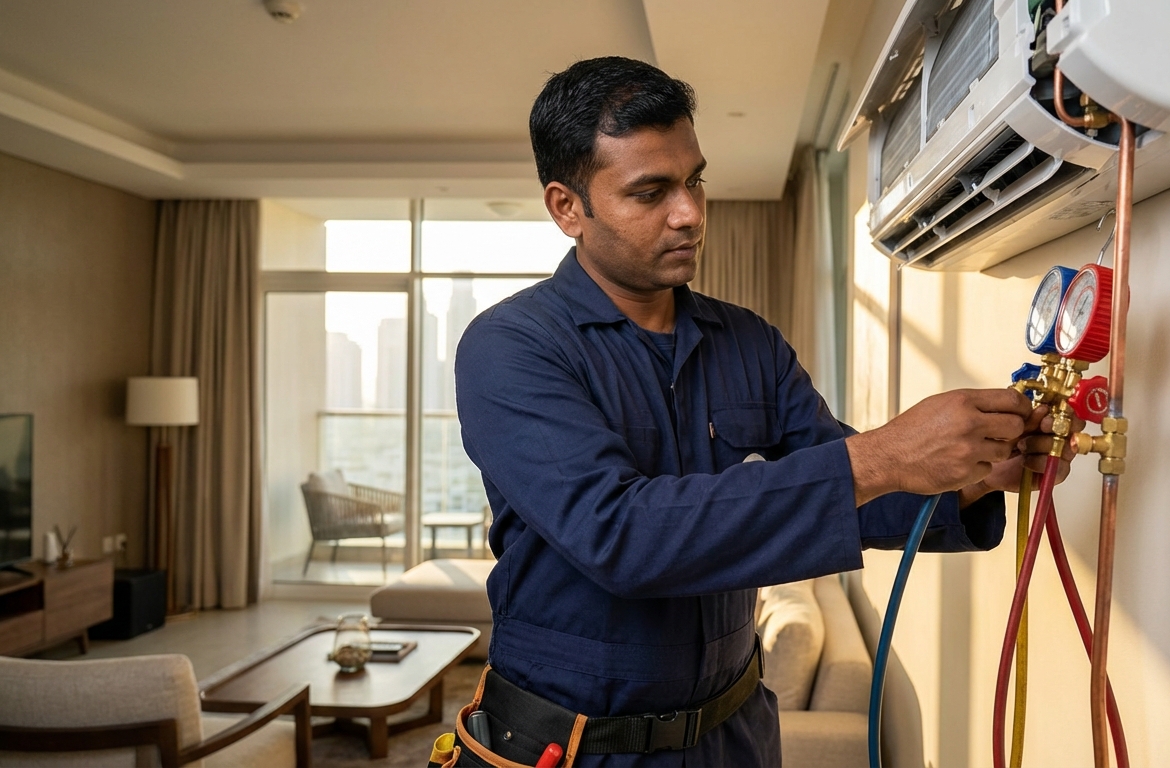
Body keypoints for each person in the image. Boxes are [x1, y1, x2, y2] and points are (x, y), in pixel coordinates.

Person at [452, 56, 1075, 767]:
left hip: (735, 736)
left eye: (693, 181)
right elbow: (618, 535)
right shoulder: (510, 349)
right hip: (570, 748)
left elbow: (856, 495)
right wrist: (881, 456)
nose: (688, 212)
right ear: (568, 207)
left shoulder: (747, 341)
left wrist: (976, 475)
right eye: (649, 192)